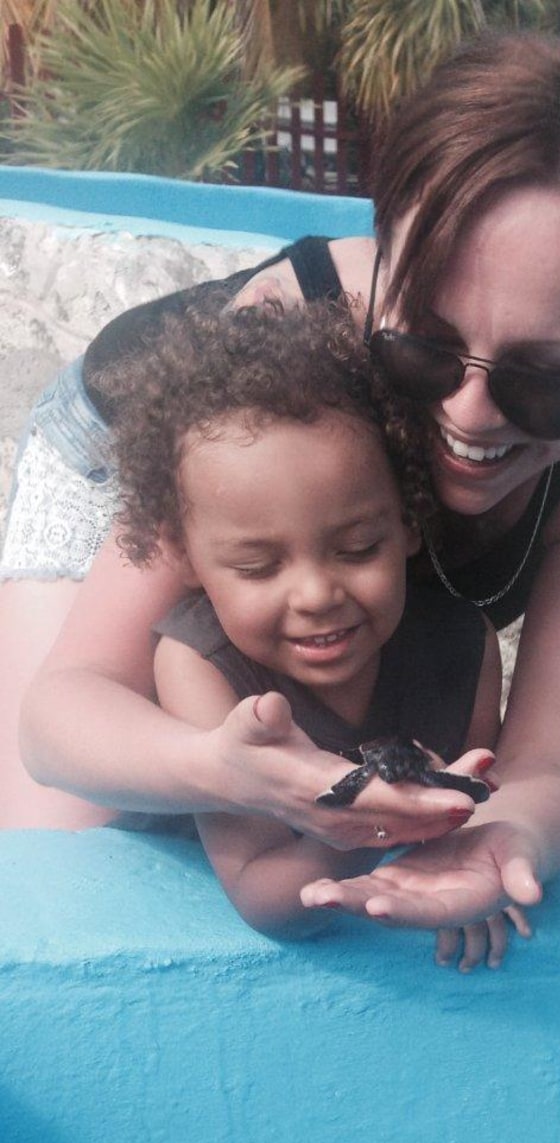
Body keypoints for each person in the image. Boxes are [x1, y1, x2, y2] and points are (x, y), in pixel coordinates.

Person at [3, 32, 560, 954]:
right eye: (426, 348)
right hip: (127, 447)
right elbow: (61, 721)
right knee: (65, 861)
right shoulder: (284, 355)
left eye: (541, 379)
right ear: (385, 273)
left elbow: (551, 761)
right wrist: (213, 769)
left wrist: (500, 837)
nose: (470, 413)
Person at [95, 295, 503, 962]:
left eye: (356, 549)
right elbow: (263, 892)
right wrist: (384, 817)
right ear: (186, 556)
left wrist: (471, 871)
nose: (316, 594)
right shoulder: (198, 664)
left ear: (406, 518)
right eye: (259, 566)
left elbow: (475, 814)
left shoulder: (463, 646)